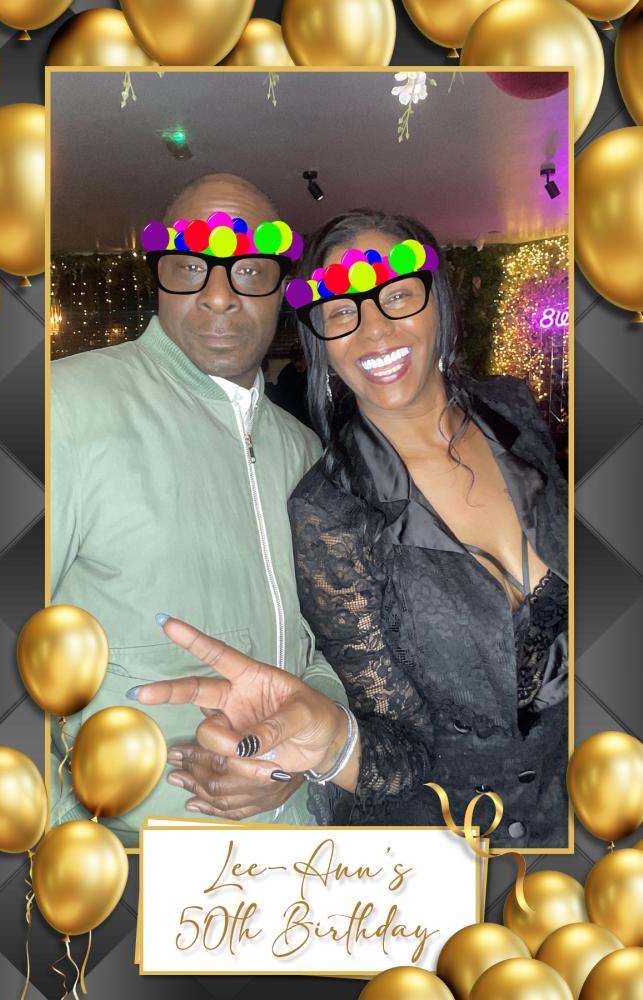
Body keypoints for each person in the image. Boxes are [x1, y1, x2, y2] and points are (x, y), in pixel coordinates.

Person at [134, 209, 569, 849]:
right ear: (321, 340)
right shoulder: (329, 512)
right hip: (456, 843)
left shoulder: (514, 410)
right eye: (341, 310)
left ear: (438, 303)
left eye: (396, 295)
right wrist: (334, 743)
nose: (373, 329)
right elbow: (402, 746)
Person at [49, 174, 346, 847]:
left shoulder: (303, 450)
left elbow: (326, 644)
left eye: (249, 269)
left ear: (280, 289)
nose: (218, 294)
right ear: (157, 276)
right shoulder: (63, 409)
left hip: (290, 850)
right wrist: (70, 844)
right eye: (189, 266)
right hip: (130, 862)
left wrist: (298, 750)